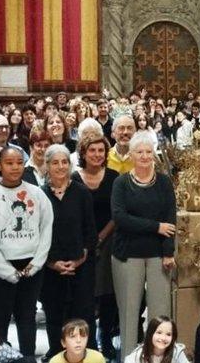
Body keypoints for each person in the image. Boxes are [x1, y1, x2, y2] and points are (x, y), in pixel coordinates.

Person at [0, 146, 53, 360]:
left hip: (31, 267)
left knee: (27, 318)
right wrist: (5, 271)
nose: (15, 167)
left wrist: (36, 264)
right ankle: (1, 358)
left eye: (19, 162)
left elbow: (46, 229)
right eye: (9, 163)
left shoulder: (36, 193)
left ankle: (27, 357)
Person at [112, 131, 177, 359]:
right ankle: (129, 358)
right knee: (129, 314)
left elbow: (171, 219)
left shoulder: (164, 182)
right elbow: (120, 218)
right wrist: (155, 227)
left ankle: (159, 359)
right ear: (131, 155)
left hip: (159, 255)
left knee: (160, 315)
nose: (145, 156)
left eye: (149, 152)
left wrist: (168, 251)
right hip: (127, 255)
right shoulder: (121, 183)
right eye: (139, 152)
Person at [40, 144, 98, 357]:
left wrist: (80, 259)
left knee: (82, 315)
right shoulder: (40, 195)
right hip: (50, 267)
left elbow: (90, 231)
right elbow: (37, 233)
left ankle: (87, 355)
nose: (60, 166)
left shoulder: (81, 192)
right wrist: (51, 263)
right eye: (55, 162)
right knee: (55, 315)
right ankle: (57, 355)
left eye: (64, 162)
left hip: (80, 266)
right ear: (47, 166)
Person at [72, 135, 120, 358]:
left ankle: (106, 337)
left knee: (108, 293)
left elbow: (117, 213)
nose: (97, 155)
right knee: (86, 294)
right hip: (81, 243)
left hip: (109, 240)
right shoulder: (73, 178)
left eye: (101, 150)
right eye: (92, 150)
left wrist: (100, 237)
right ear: (83, 153)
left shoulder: (114, 177)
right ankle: (87, 340)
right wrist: (88, 241)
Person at [123, 315, 189, 363]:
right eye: (159, 333)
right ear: (150, 334)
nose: (163, 338)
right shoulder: (136, 356)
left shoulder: (177, 352)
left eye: (168, 334)